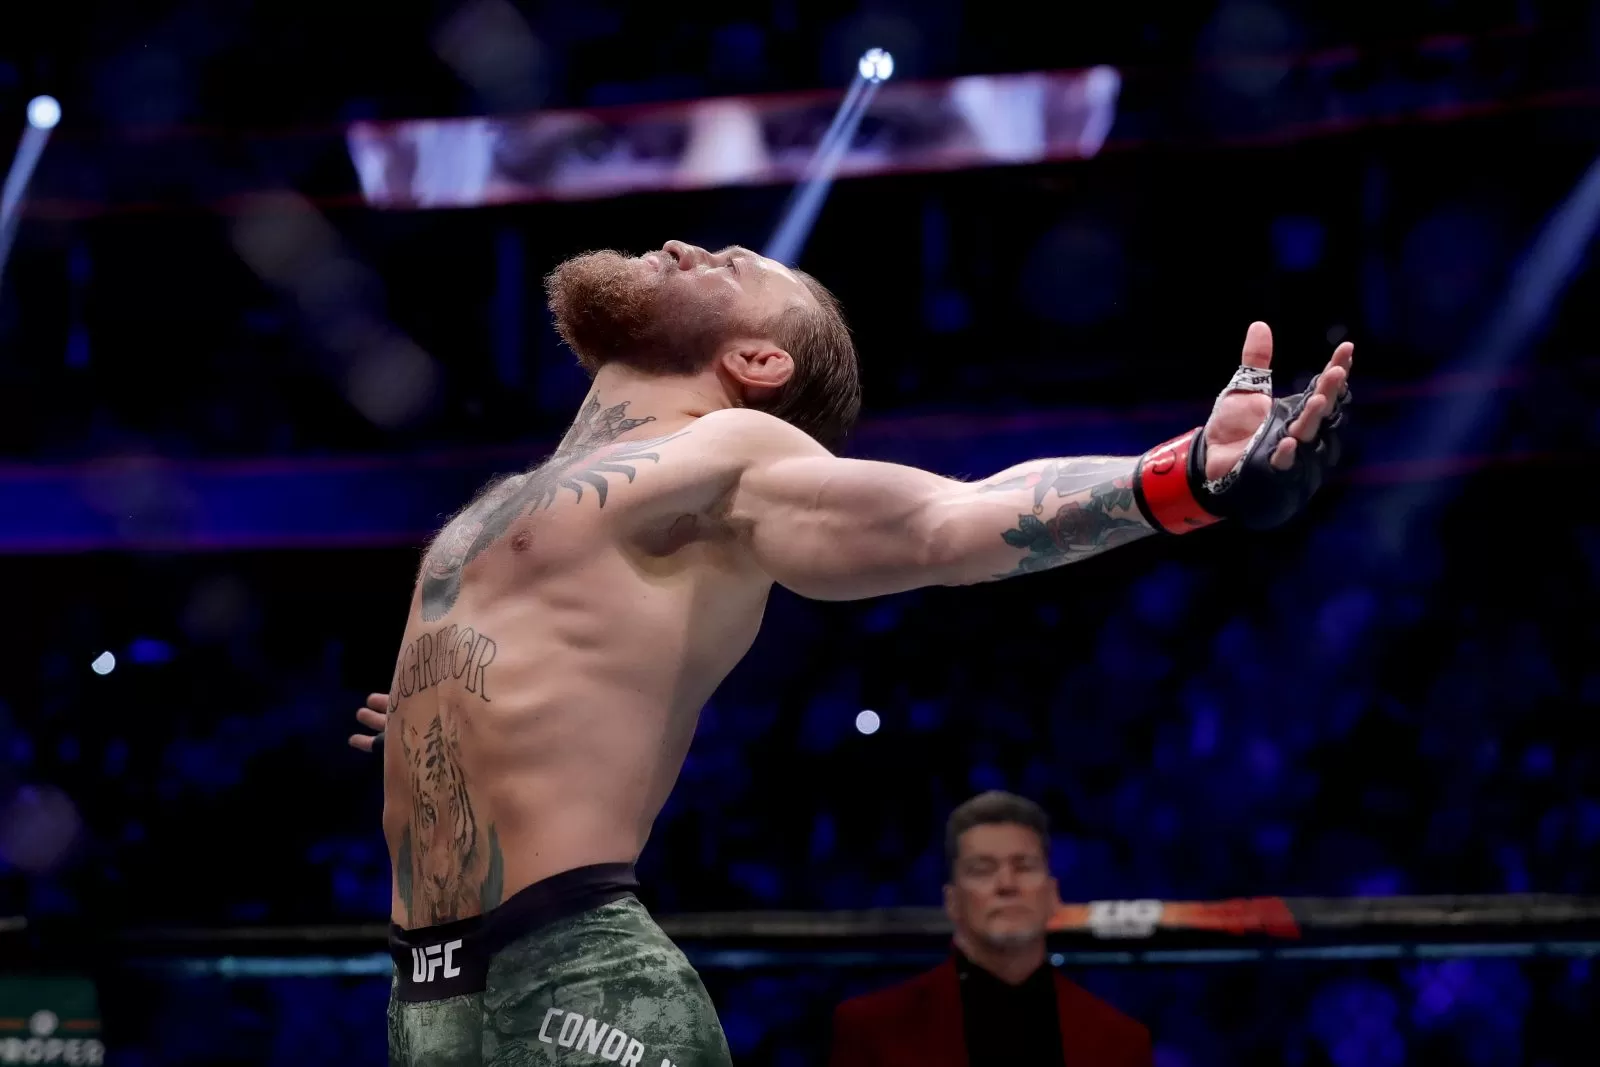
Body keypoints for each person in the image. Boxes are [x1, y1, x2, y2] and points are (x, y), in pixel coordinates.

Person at [347, 239, 1353, 1066]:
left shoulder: (725, 454)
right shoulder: (506, 500)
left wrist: (1186, 476)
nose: (683, 245)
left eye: (730, 265)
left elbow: (944, 521)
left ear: (758, 362)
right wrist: (441, 717)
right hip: (423, 993)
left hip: (578, 983)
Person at [827, 791, 1150, 1067]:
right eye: (982, 870)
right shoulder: (872, 1031)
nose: (1007, 884)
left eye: (1024, 866)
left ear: (1053, 896)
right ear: (952, 901)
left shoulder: (1119, 1041)